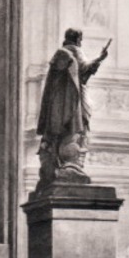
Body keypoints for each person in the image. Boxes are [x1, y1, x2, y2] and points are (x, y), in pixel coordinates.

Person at [35, 28, 109, 187]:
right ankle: (71, 165)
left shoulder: (60, 54)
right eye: (80, 39)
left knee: (64, 132)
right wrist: (100, 58)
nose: (80, 42)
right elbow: (84, 69)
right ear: (77, 39)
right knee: (77, 130)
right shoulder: (74, 51)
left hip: (59, 103)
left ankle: (60, 164)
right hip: (74, 101)